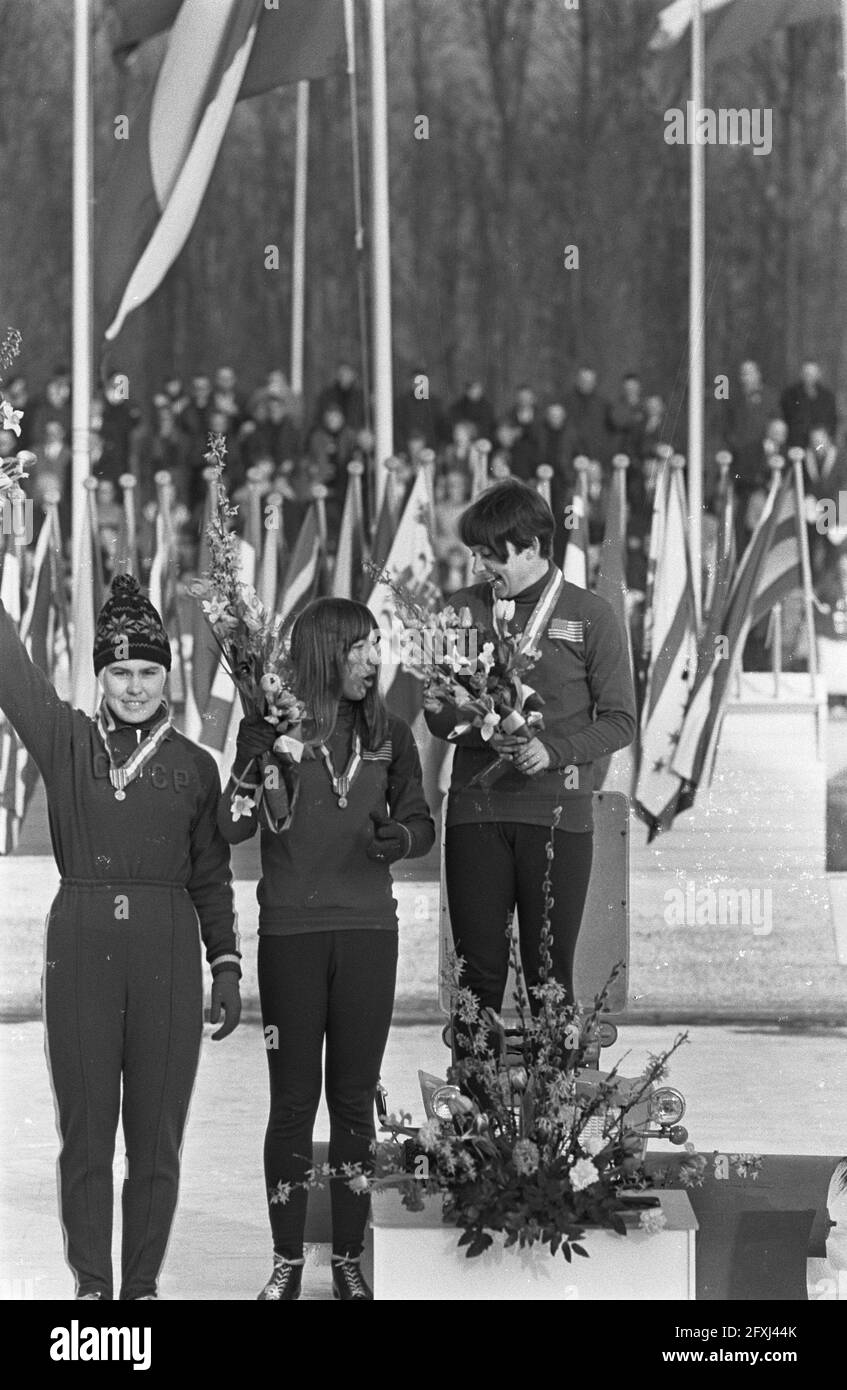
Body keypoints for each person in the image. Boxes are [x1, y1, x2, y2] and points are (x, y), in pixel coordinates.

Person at [0, 574, 242, 1301]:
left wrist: (224, 962)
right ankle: (93, 1287)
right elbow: (13, 675)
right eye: (119, 672)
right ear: (100, 676)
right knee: (86, 1137)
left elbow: (211, 874)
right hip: (81, 945)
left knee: (156, 1138)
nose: (134, 687)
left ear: (166, 676)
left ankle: (141, 1286)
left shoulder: (196, 767)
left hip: (168, 947)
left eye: (147, 672)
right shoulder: (69, 742)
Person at [219, 598, 435, 1301]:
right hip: (292, 938)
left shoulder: (390, 733)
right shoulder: (274, 729)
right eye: (361, 648)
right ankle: (286, 1259)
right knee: (291, 1105)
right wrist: (252, 758)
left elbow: (420, 822)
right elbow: (229, 827)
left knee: (351, 1104)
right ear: (325, 651)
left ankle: (346, 1258)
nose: (374, 661)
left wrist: (397, 840)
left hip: (369, 935)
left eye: (375, 647)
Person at [425, 481, 636, 1036]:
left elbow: (621, 721)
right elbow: (439, 719)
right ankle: (472, 1118)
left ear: (528, 547)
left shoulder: (592, 615)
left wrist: (554, 750)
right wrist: (474, 726)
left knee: (549, 981)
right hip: (476, 815)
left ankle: (554, 1122)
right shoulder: (459, 612)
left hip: (557, 817)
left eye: (488, 555)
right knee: (477, 981)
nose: (477, 566)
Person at [781, 359, 838, 450]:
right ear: (801, 374)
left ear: (818, 374)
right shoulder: (790, 394)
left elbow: (832, 421)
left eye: (812, 373)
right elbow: (787, 418)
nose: (809, 377)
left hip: (820, 445)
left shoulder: (827, 396)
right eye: (806, 373)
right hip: (797, 443)